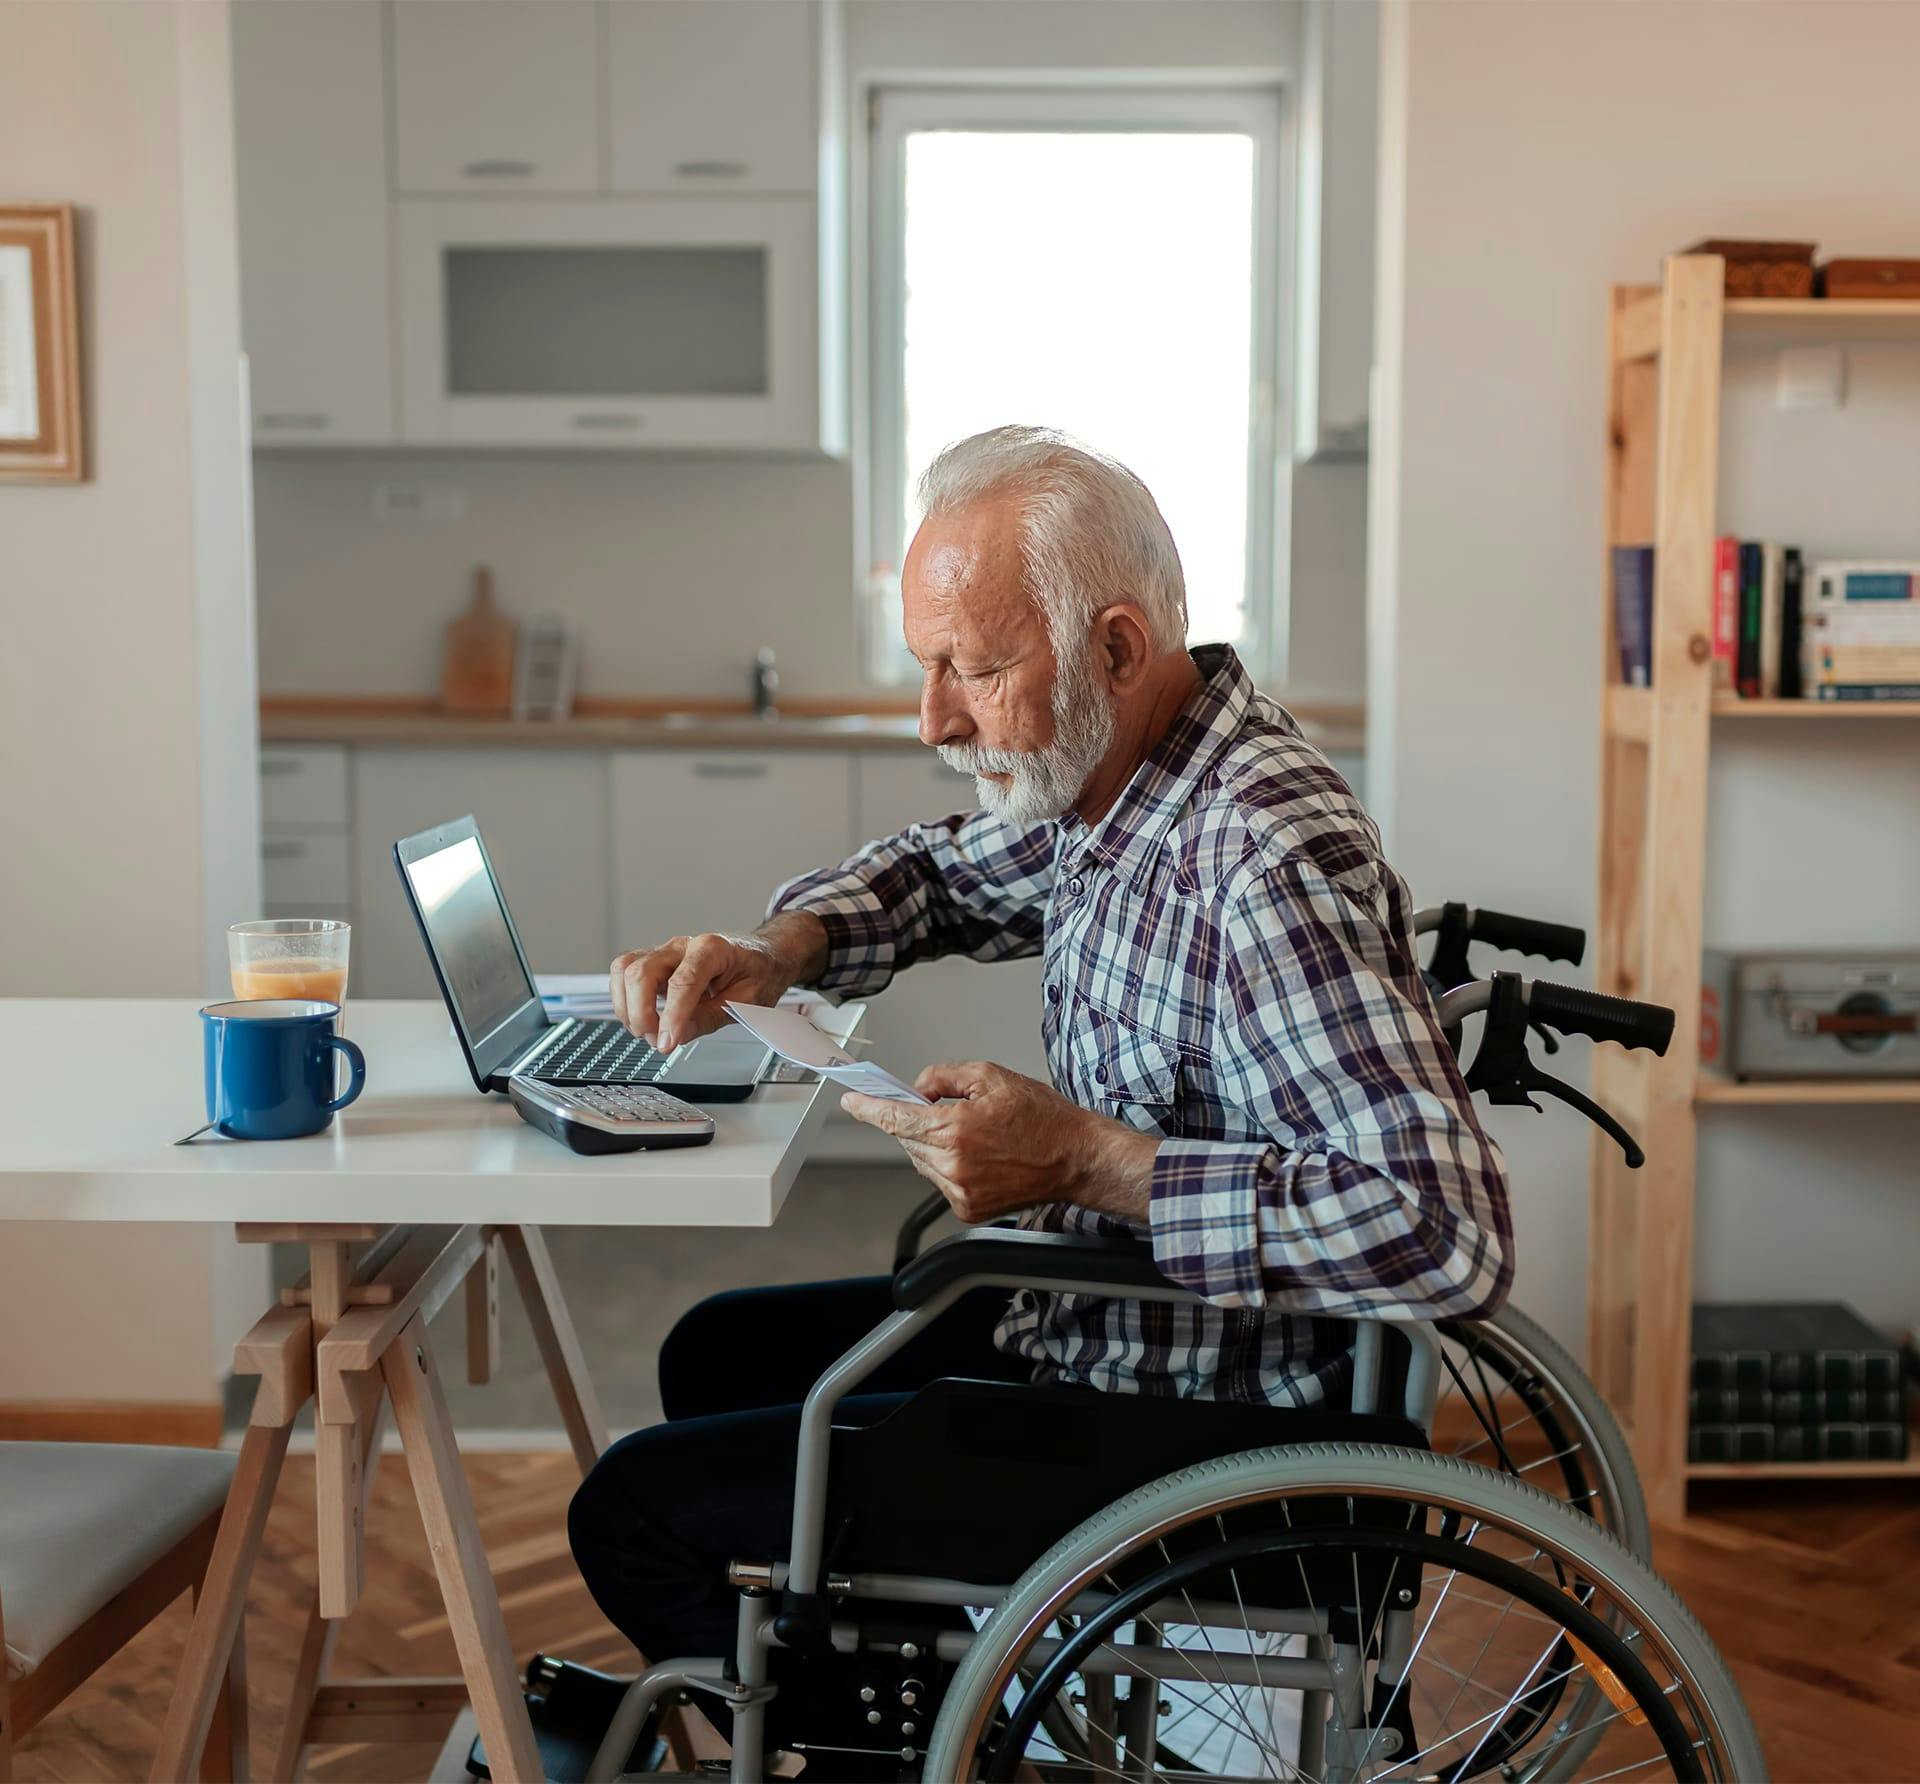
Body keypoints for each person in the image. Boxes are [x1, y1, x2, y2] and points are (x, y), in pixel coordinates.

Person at [567, 425, 1512, 1773]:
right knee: (712, 1353)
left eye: (976, 668)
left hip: (1197, 1423)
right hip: (1106, 1335)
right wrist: (788, 949)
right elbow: (954, 873)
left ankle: (901, 1744)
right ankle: (894, 1703)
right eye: (929, 666)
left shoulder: (1257, 854)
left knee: (635, 1514)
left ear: (1117, 650)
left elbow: (1445, 1230)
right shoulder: (1122, 784)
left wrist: (1087, 1163)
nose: (935, 719)